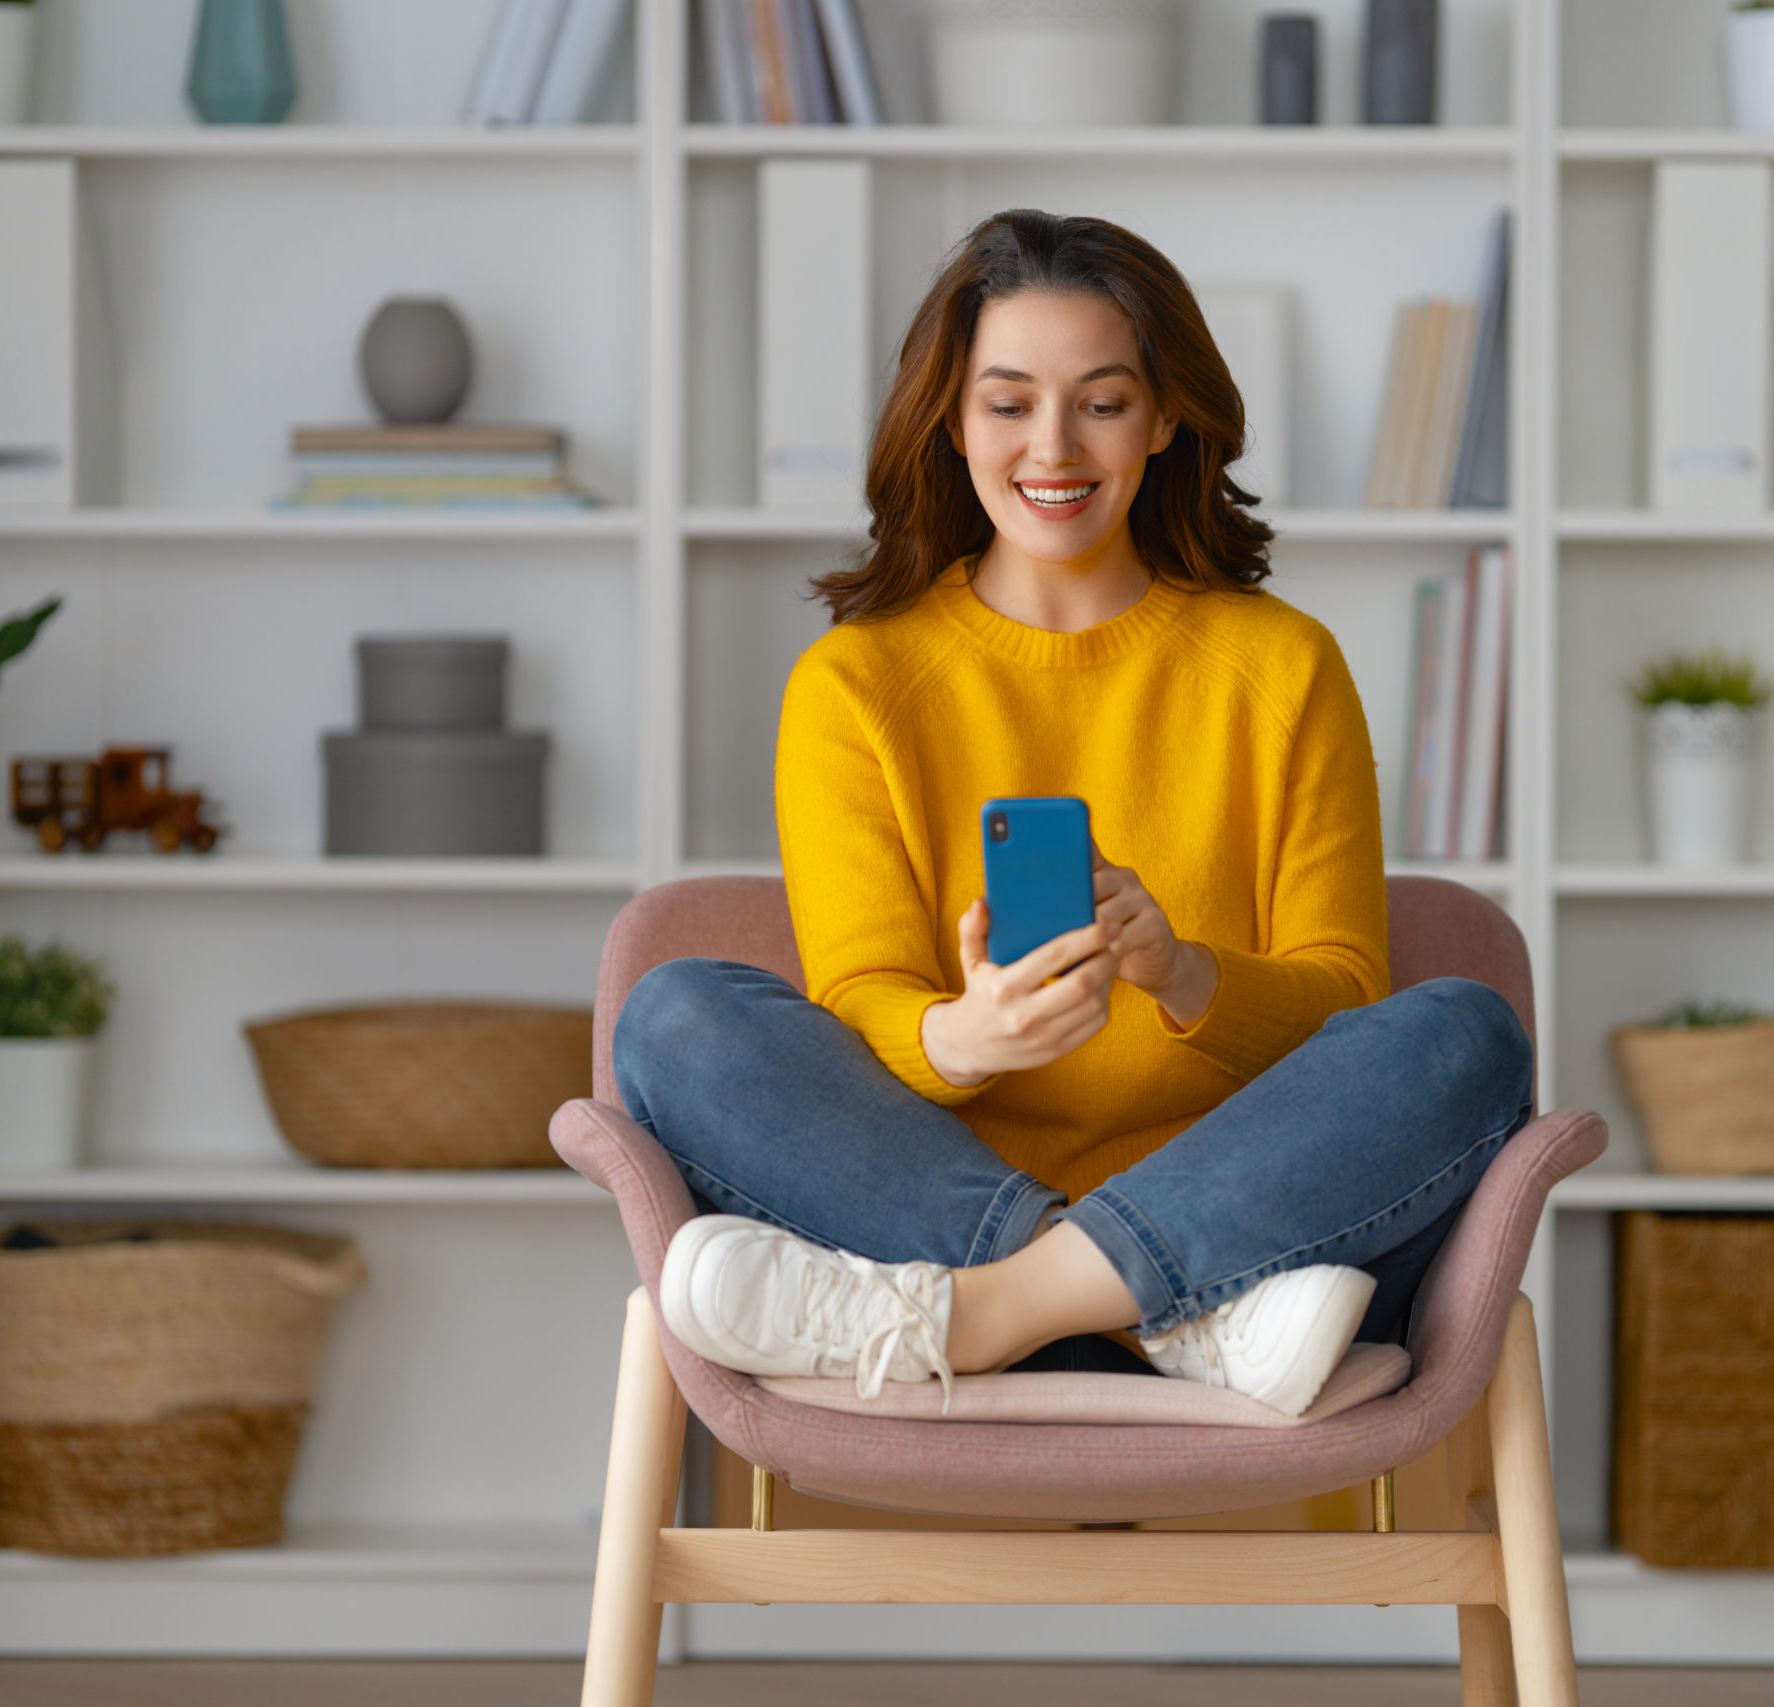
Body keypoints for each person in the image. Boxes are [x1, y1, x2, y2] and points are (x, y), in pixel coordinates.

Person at [614, 209, 1533, 1417]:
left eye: (1101, 402)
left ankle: (995, 1314)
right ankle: (1169, 1321)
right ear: (951, 422)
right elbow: (859, 998)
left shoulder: (1283, 666)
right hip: (1108, 1260)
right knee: (676, 1018)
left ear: (1163, 419)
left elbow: (1347, 995)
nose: (1053, 446)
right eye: (1008, 403)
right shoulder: (856, 682)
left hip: (1260, 1221)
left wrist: (1186, 974)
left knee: (1465, 1037)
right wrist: (965, 1038)